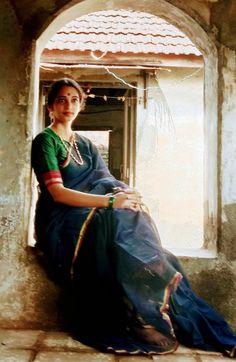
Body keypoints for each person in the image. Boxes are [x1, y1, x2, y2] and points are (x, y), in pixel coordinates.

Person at [31, 77, 236, 357]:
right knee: (112, 217)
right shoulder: (45, 141)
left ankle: (150, 293)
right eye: (61, 100)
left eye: (75, 99)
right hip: (60, 220)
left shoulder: (86, 144)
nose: (69, 105)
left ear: (81, 105)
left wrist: (126, 197)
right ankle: (139, 311)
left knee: (131, 220)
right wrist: (111, 201)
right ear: (50, 106)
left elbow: (105, 179)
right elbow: (57, 193)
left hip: (88, 210)